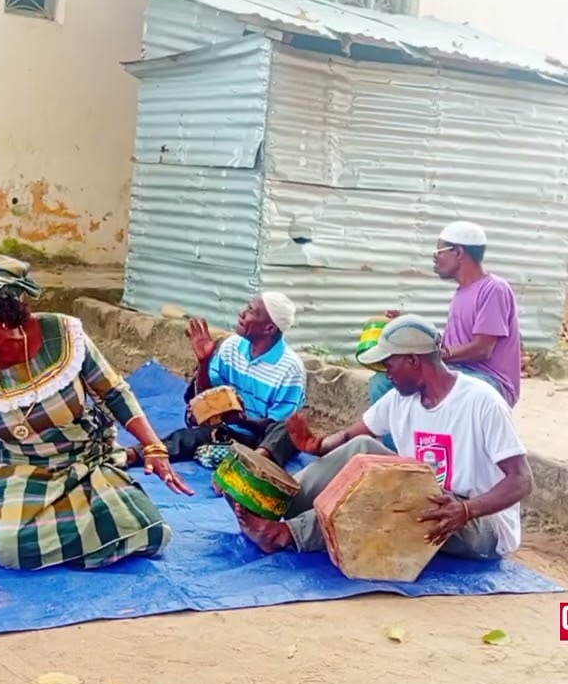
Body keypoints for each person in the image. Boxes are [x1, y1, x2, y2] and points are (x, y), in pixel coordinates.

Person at [0, 254, 191, 571]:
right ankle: (79, 528)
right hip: (18, 472)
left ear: (3, 316)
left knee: (150, 533)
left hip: (83, 462)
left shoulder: (63, 336)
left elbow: (113, 392)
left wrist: (154, 446)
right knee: (10, 550)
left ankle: (91, 508)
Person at [227, 314, 534, 564]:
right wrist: (318, 446)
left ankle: (283, 535)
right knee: (362, 451)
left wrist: (466, 510)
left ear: (414, 361)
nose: (387, 374)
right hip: (429, 496)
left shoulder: (482, 401)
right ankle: (274, 504)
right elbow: (352, 436)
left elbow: (521, 481)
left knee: (389, 495)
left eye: (390, 364)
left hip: (482, 522)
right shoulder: (401, 399)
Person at [369, 221, 521, 448]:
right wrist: (407, 328)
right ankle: (401, 453)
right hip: (458, 371)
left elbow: (482, 348)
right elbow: (451, 343)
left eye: (438, 252)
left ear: (459, 252)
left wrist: (436, 355)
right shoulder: (462, 292)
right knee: (383, 382)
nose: (434, 259)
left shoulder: (494, 289)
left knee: (429, 386)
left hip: (489, 380)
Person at [130, 293, 307, 470]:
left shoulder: (291, 369)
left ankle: (250, 465)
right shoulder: (232, 346)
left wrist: (242, 421)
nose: (242, 314)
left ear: (269, 328)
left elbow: (275, 425)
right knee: (186, 437)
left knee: (288, 430)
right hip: (227, 432)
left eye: (251, 311)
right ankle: (134, 454)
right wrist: (204, 362)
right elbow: (205, 396)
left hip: (262, 441)